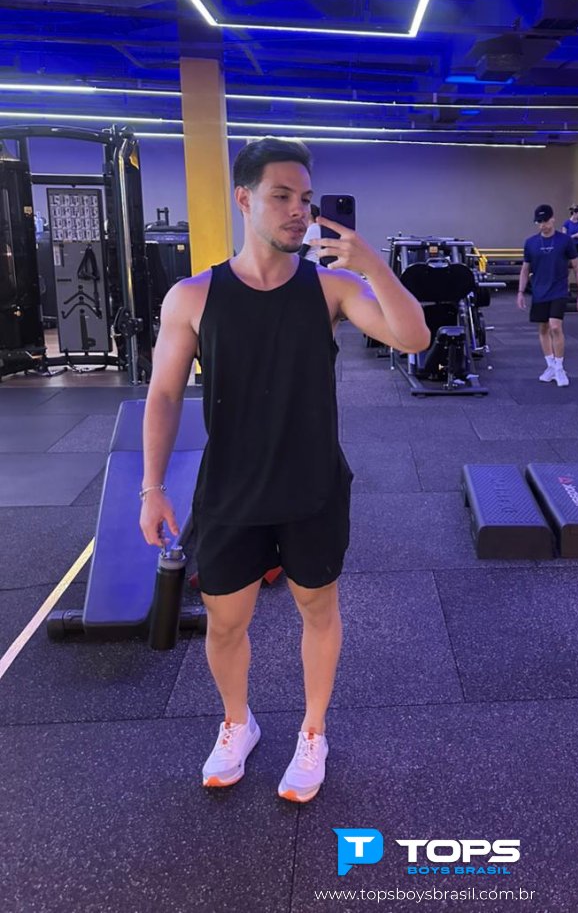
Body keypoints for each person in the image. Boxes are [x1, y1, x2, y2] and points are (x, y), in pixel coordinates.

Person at [139, 137, 429, 803]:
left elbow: (414, 338)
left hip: (312, 485)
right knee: (225, 621)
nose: (300, 210)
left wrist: (374, 265)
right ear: (244, 199)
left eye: (306, 198)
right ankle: (237, 722)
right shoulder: (191, 296)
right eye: (282, 196)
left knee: (317, 609)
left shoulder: (332, 287)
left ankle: (313, 730)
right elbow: (162, 395)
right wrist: (152, 487)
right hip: (230, 489)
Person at [517, 204, 578, 387]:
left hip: (559, 290)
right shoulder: (530, 243)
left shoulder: (565, 241)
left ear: (553, 219)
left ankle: (560, 367)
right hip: (539, 291)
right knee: (543, 328)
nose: (543, 225)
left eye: (545, 221)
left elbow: (577, 267)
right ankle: (551, 366)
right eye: (539, 222)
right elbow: (525, 270)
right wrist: (520, 292)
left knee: (555, 327)